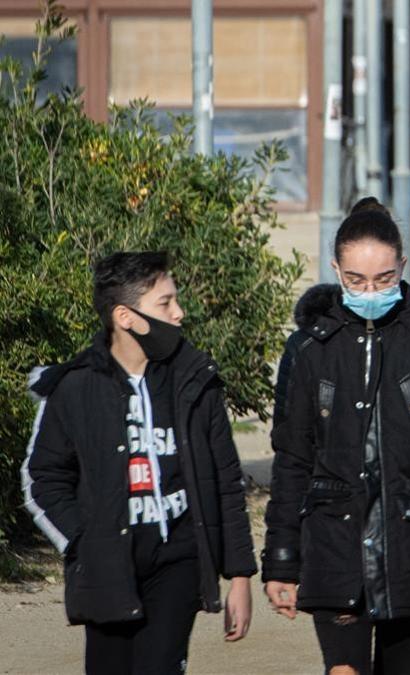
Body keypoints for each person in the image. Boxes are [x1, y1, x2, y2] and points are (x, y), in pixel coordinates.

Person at [263, 198, 410, 675]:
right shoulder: (308, 347)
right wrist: (282, 559)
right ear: (335, 269)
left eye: (385, 279)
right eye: (356, 280)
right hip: (331, 535)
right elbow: (291, 457)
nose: (370, 291)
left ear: (403, 266)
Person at [23, 252, 256, 673]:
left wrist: (239, 575)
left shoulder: (195, 379)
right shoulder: (75, 387)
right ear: (125, 317)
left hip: (178, 564)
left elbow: (226, 480)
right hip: (106, 568)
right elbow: (42, 477)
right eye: (165, 303)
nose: (180, 313)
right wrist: (81, 540)